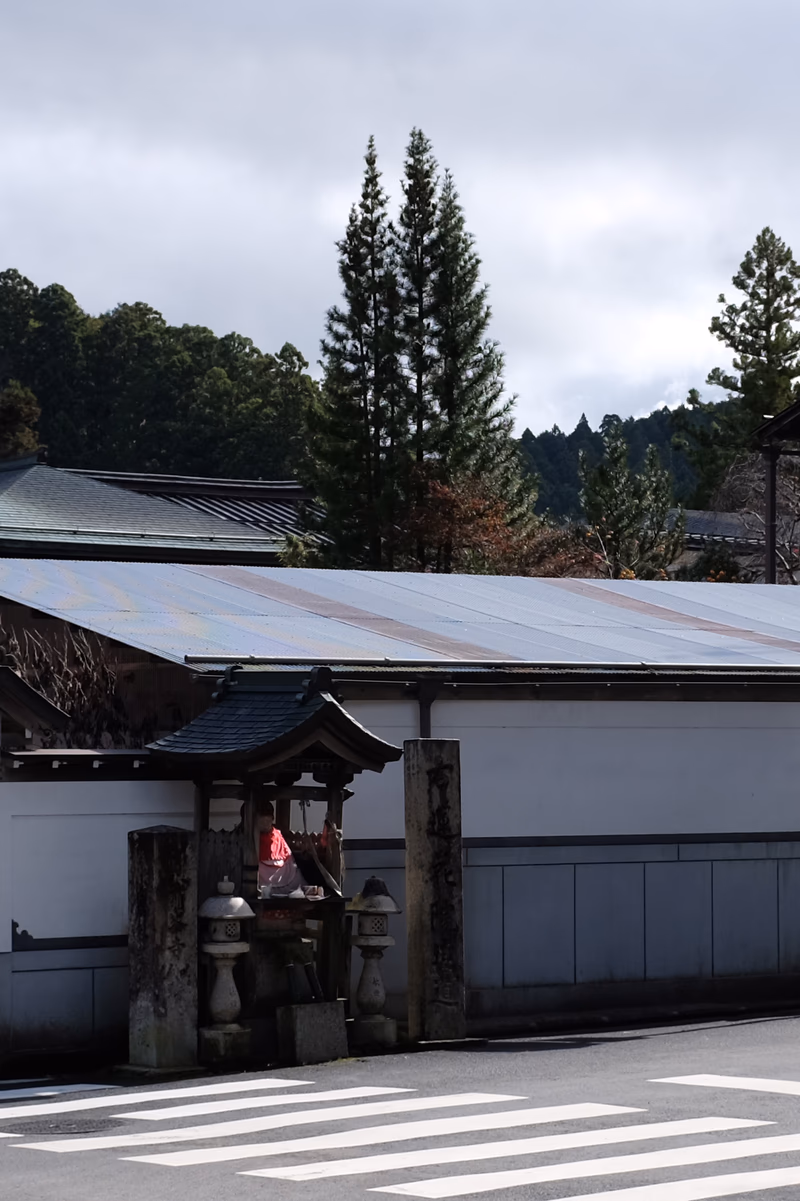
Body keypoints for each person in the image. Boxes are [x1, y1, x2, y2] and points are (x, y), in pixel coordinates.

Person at [256, 802, 307, 895]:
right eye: (262, 822)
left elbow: (288, 856)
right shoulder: (253, 835)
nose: (265, 824)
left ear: (272, 819)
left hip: (284, 871)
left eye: (268, 821)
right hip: (262, 873)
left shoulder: (277, 834)